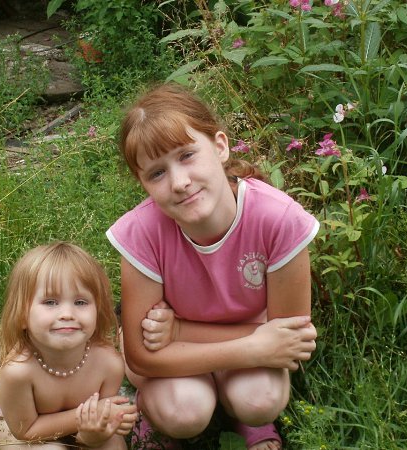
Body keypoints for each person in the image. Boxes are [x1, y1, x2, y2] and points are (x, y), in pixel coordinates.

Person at [106, 83, 319, 450]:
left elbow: (291, 341)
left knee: (260, 398)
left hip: (181, 341)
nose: (180, 182)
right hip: (174, 355)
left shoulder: (279, 219)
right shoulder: (140, 232)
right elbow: (142, 357)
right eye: (156, 173)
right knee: (182, 411)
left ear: (220, 146)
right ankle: (153, 416)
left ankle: (243, 417)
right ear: (142, 183)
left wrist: (180, 331)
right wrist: (253, 346)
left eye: (187, 155)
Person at [0, 241, 138, 449]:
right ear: (22, 315)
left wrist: (94, 431)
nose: (67, 314)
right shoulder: (18, 371)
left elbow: (96, 430)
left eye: (80, 302)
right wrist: (84, 416)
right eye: (50, 302)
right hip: (20, 425)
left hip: (80, 425)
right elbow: (26, 431)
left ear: (98, 311)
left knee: (113, 446)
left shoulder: (109, 363)